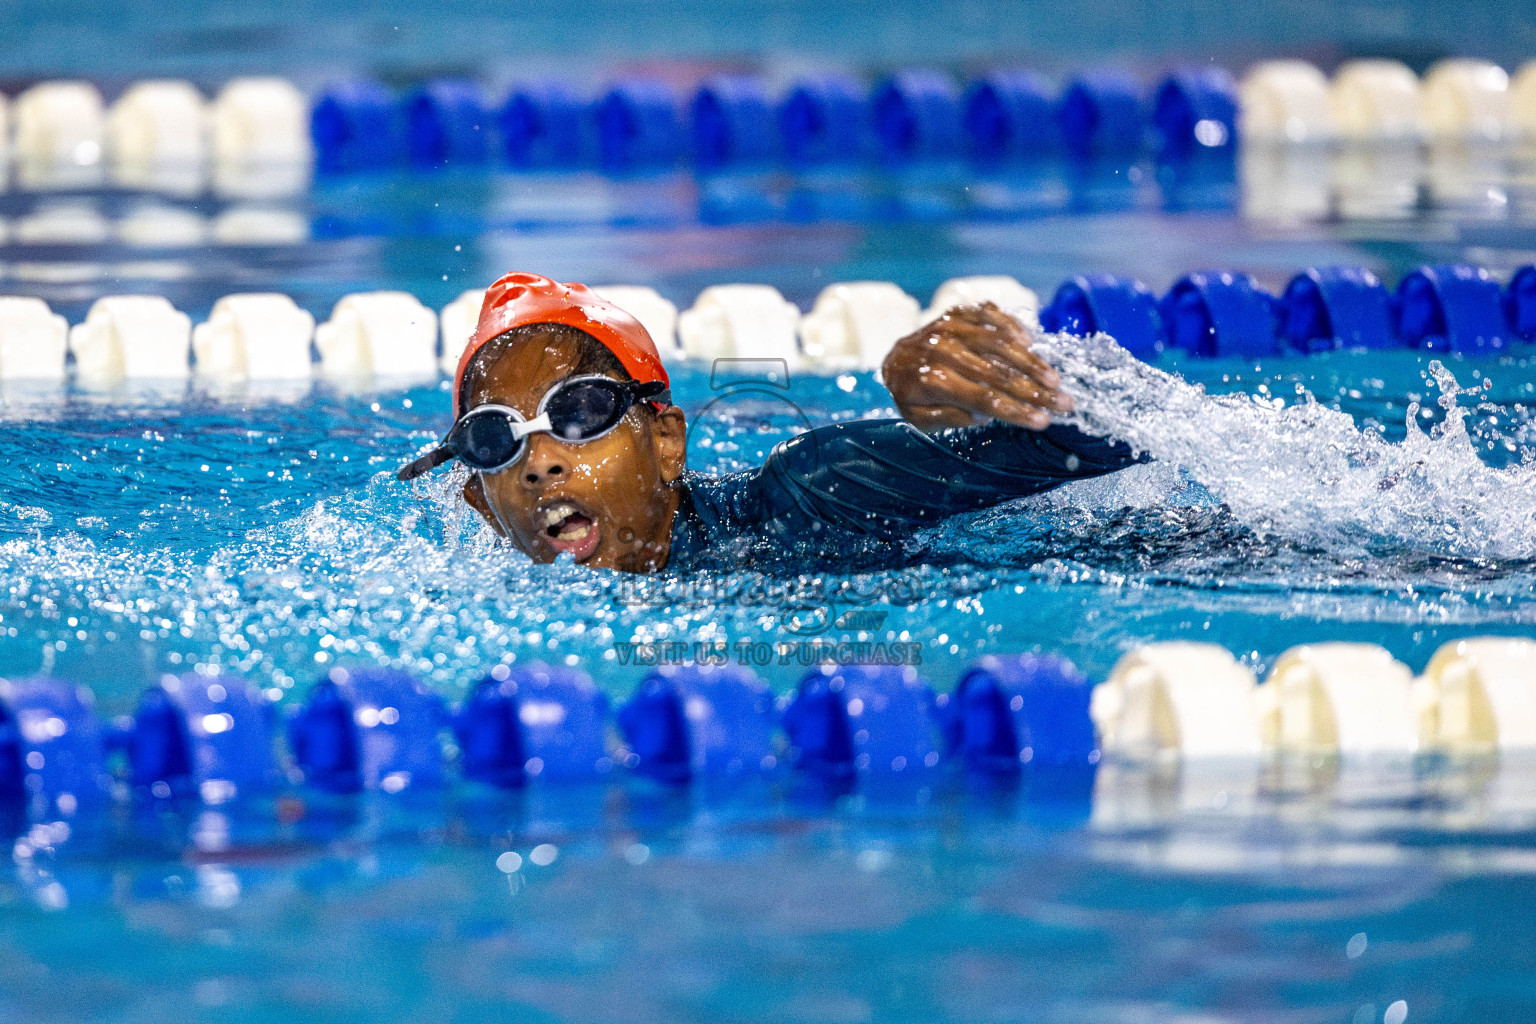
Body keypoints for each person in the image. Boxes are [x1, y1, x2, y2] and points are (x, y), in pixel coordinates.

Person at [398, 272, 1141, 574]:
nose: (541, 461)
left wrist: (1027, 384)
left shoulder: (812, 494)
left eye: (580, 412)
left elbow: (1132, 435)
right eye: (495, 439)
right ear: (482, 507)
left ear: (666, 443)